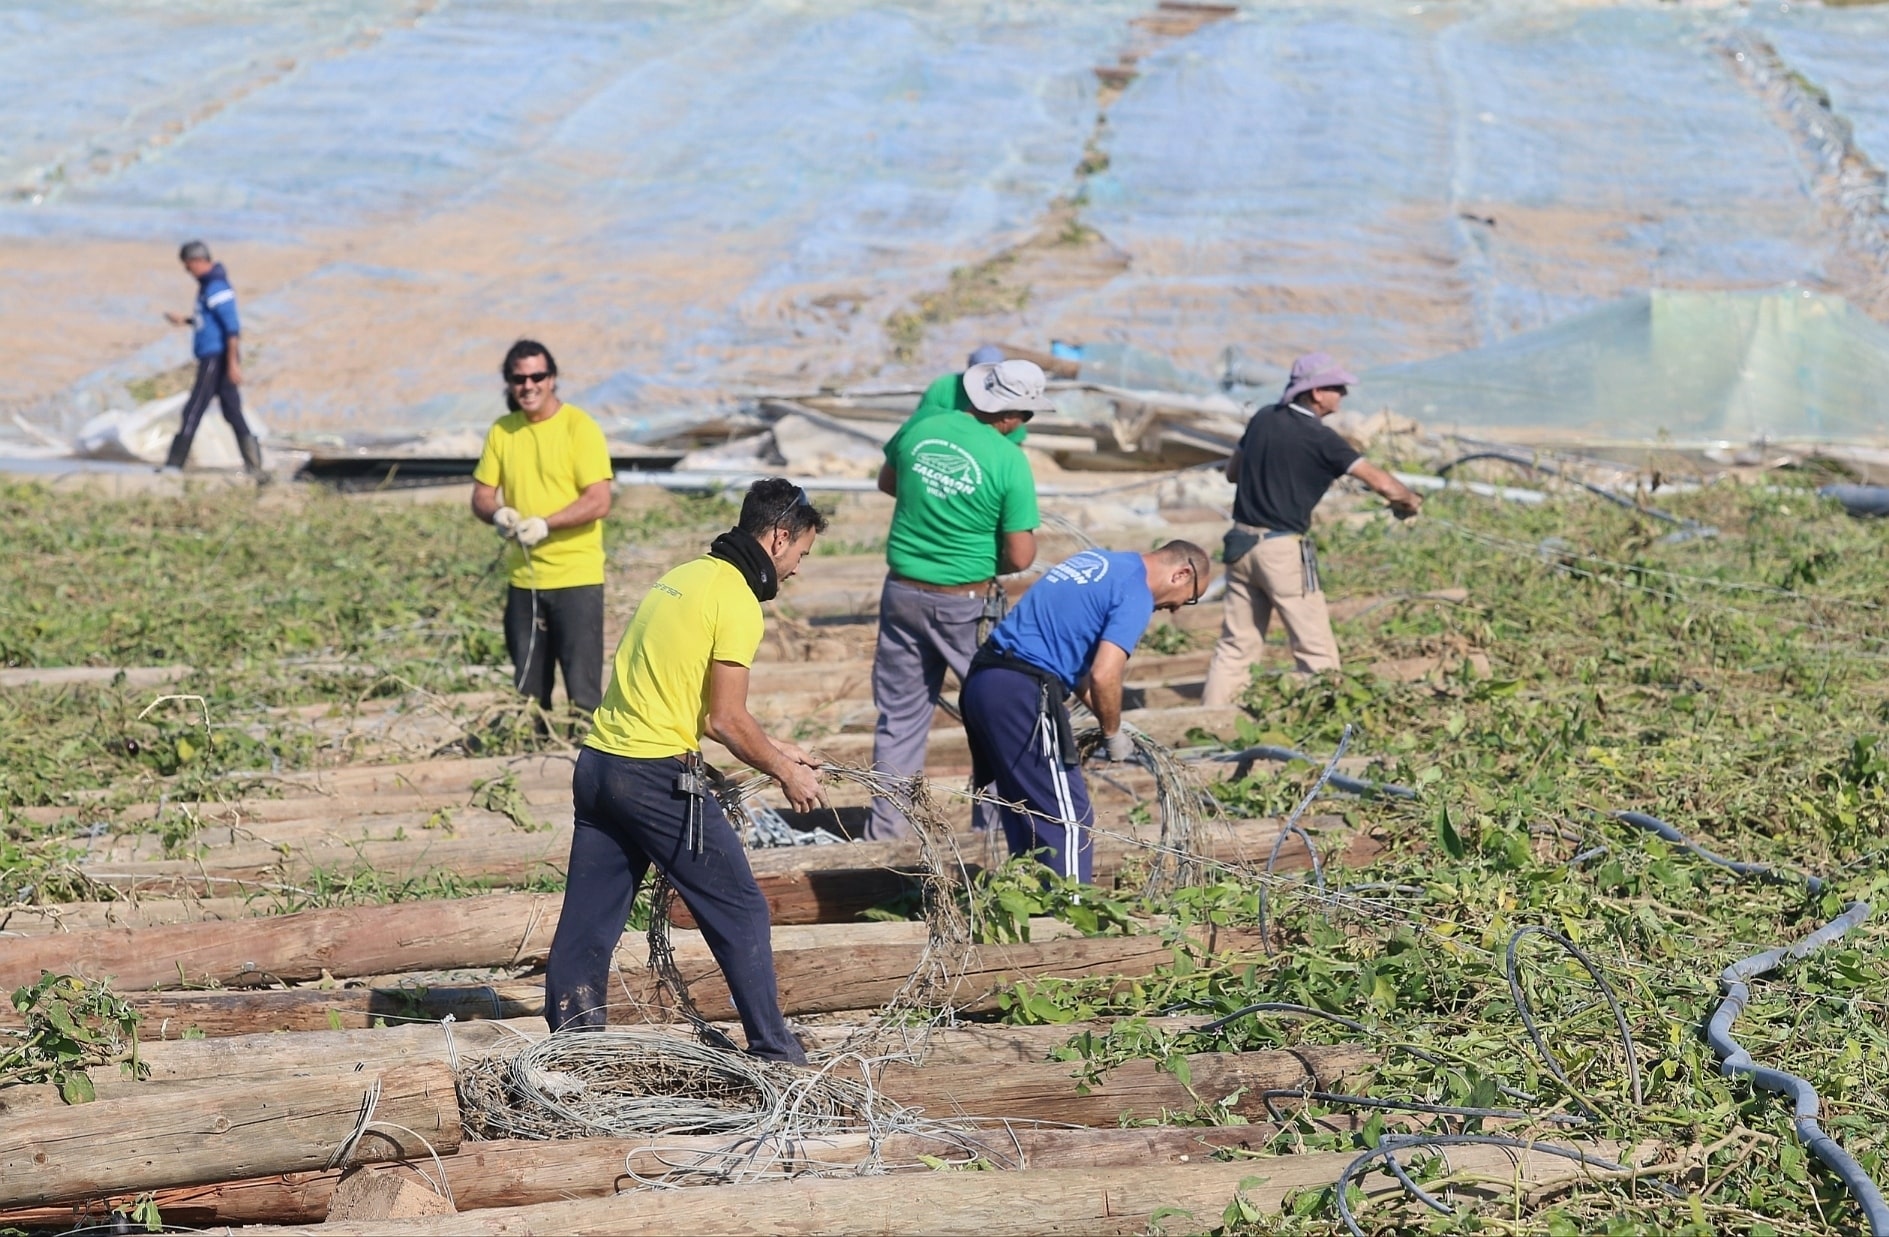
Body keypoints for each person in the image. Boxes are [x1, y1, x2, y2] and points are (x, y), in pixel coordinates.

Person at [544, 478, 829, 1061]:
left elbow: (681, 696)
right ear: (778, 538)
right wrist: (784, 770)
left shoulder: (684, 577)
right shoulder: (738, 601)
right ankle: (776, 1052)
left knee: (591, 919)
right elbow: (726, 719)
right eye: (801, 552)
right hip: (652, 778)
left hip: (599, 767)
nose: (798, 568)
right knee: (740, 907)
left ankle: (571, 1053)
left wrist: (775, 744)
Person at [864, 358, 1049, 841]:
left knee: (900, 717)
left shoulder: (923, 425)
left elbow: (888, 482)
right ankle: (991, 832)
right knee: (993, 713)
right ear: (1010, 416)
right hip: (962, 602)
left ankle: (887, 836)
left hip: (901, 591)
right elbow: (1021, 553)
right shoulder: (1008, 460)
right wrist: (982, 555)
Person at [960, 542, 1211, 882]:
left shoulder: (1097, 561)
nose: (1177, 608)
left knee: (1025, 810)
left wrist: (1116, 724)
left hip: (985, 683)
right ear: (1181, 573)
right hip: (1023, 691)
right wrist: (1110, 733)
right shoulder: (1135, 592)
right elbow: (1105, 673)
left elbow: (1075, 664)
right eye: (1189, 597)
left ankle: (1029, 903)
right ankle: (1069, 921)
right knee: (1070, 820)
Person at [1201, 353, 1423, 707]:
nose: (1343, 395)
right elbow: (1381, 482)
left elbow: (1232, 472)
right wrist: (1409, 500)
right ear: (1317, 393)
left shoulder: (1263, 419)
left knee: (1235, 646)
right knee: (1314, 646)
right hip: (1281, 550)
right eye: (1338, 388)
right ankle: (1325, 720)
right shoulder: (1322, 439)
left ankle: (1212, 721)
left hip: (1241, 543)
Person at [471, 340, 614, 716]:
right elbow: (481, 496)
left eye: (537, 376)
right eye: (519, 378)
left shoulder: (578, 427)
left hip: (576, 579)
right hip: (524, 581)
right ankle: (532, 758)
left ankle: (586, 768)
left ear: (552, 379)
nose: (528, 385)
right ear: (509, 383)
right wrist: (497, 513)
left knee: (584, 696)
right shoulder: (503, 431)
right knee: (528, 698)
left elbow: (599, 500)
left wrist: (546, 524)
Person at [161, 241, 264, 478]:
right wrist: (186, 321)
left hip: (217, 358)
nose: (189, 273)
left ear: (198, 261)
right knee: (232, 412)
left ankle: (173, 466)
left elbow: (232, 329)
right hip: (215, 356)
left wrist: (233, 364)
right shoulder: (207, 287)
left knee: (193, 409)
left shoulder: (217, 286)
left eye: (188, 267)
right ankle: (255, 469)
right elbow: (209, 322)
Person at [907, 344, 1027, 443]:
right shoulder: (943, 387)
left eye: (991, 377)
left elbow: (1014, 442)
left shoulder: (1008, 397)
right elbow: (920, 426)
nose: (984, 383)